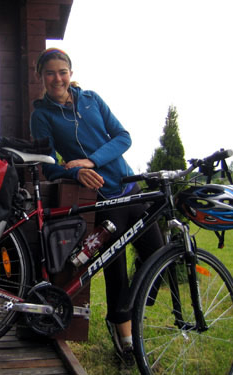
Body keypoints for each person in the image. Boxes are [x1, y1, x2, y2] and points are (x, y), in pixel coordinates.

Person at [30, 47, 164, 366]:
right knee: (116, 271)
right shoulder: (41, 115)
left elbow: (123, 137)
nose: (57, 78)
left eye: (63, 71)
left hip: (131, 189)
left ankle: (130, 308)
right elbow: (48, 165)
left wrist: (92, 159)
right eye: (50, 73)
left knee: (157, 256)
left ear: (71, 73)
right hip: (103, 201)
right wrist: (76, 170)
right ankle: (126, 341)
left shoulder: (91, 99)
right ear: (41, 77)